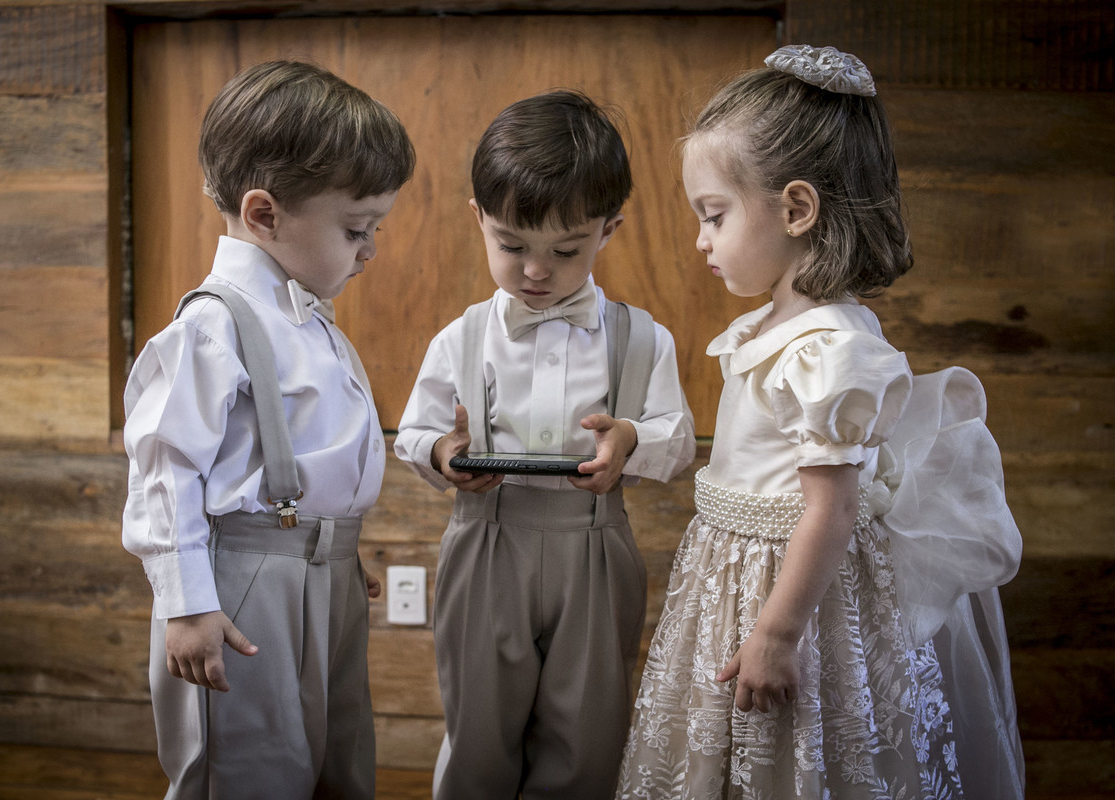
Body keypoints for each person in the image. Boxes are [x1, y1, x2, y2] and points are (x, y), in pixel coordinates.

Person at [617, 45, 1025, 799]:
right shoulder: (775, 326)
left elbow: (831, 508)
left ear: (796, 209)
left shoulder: (828, 350)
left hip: (793, 596)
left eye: (714, 215)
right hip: (736, 575)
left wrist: (776, 633)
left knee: (801, 750)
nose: (701, 239)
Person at [121, 60, 415, 799]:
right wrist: (187, 603)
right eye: (356, 229)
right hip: (241, 589)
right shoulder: (212, 329)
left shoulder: (307, 316)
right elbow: (165, 472)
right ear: (264, 215)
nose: (370, 250)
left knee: (334, 751)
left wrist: (330, 546)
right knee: (250, 764)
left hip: (322, 572)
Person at [394, 89, 696, 800]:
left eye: (564, 250)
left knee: (588, 730)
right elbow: (412, 432)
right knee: (478, 724)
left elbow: (676, 441)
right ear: (478, 220)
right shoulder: (458, 338)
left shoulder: (643, 337)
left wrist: (629, 441)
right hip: (485, 540)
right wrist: (445, 454)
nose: (535, 270)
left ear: (609, 228)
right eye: (511, 245)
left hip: (593, 543)